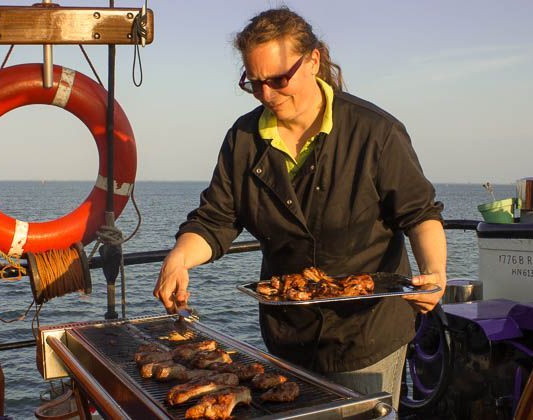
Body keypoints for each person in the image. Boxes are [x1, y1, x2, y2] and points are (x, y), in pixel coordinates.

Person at [154, 7, 446, 410]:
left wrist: (435, 273)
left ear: (313, 61)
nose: (266, 95)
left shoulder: (375, 132)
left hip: (366, 335)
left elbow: (420, 215)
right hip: (287, 339)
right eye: (254, 83)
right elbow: (216, 220)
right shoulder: (243, 139)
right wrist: (179, 258)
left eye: (278, 80)